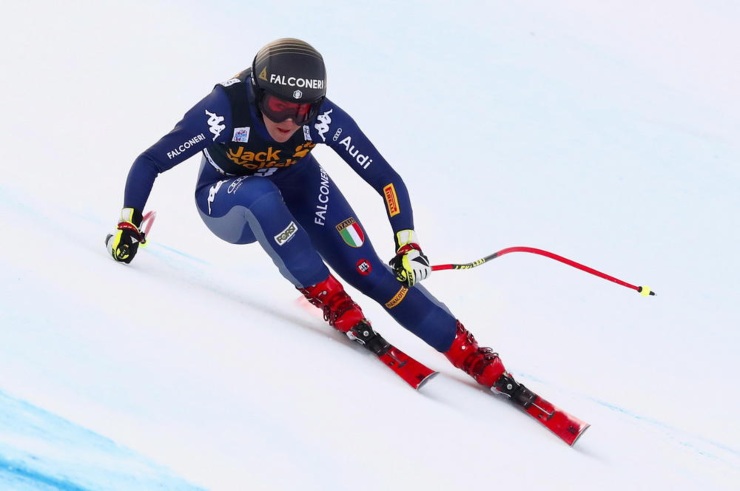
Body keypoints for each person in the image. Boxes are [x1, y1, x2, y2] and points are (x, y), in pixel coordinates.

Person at [106, 38, 516, 395]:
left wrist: (407, 243)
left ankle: (467, 351)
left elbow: (385, 178)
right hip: (227, 200)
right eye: (279, 106)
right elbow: (151, 160)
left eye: (301, 112)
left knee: (370, 270)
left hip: (299, 184)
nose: (288, 121)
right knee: (262, 194)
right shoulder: (224, 109)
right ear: (257, 93)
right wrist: (128, 222)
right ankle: (331, 299)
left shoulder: (322, 117)